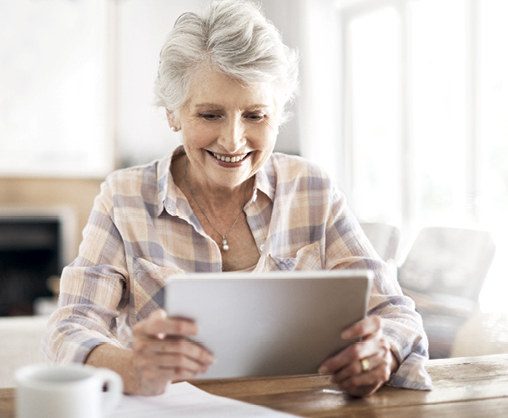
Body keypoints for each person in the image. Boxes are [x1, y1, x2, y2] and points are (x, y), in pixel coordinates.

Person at [42, 0, 432, 397]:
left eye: (255, 115)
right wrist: (131, 367)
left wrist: (382, 348)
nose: (232, 140)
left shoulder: (312, 189)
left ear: (278, 114)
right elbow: (68, 328)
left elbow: (396, 313)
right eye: (210, 115)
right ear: (173, 114)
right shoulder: (123, 197)